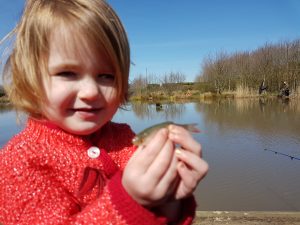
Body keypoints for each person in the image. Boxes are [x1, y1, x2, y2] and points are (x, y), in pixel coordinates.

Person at [0, 0, 208, 224]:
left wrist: (170, 199)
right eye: (67, 73)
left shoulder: (124, 139)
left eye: (106, 76)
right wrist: (129, 200)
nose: (90, 92)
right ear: (30, 78)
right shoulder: (19, 163)